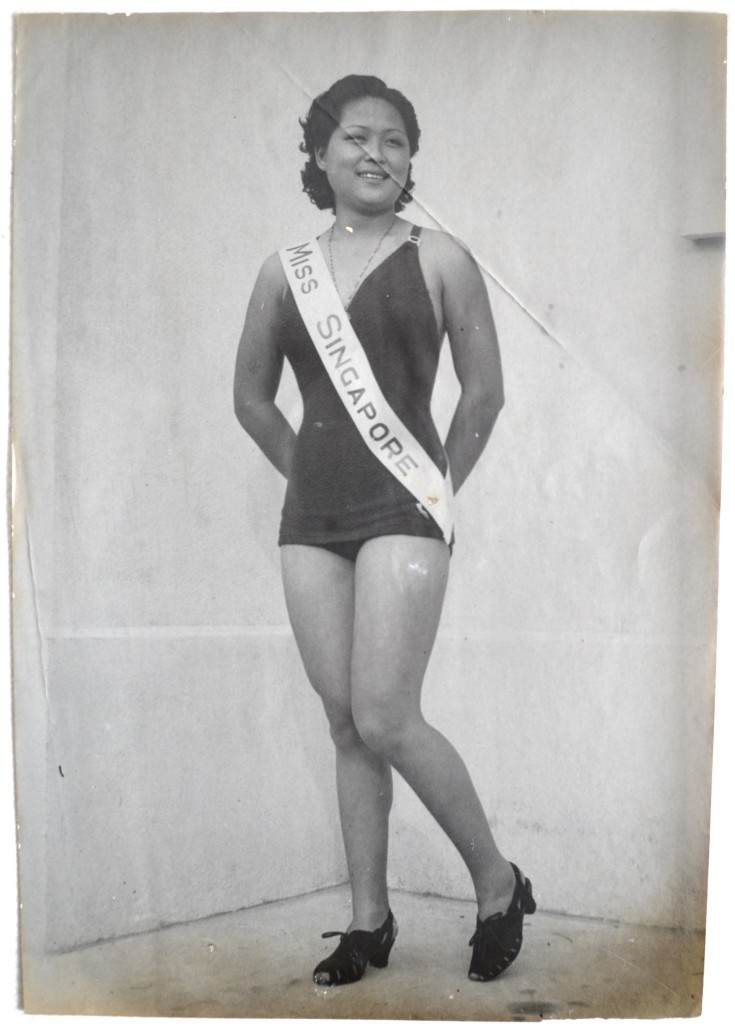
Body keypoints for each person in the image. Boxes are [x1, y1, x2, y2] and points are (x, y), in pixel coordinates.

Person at [233, 74, 535, 987]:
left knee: (385, 714)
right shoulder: (282, 271)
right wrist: (311, 474)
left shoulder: (440, 256)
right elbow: (250, 400)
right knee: (345, 725)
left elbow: (483, 395)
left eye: (394, 141)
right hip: (310, 521)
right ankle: (368, 923)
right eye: (356, 138)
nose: (375, 153)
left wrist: (434, 493)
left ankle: (496, 881)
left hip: (405, 510)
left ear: (410, 160)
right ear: (318, 156)